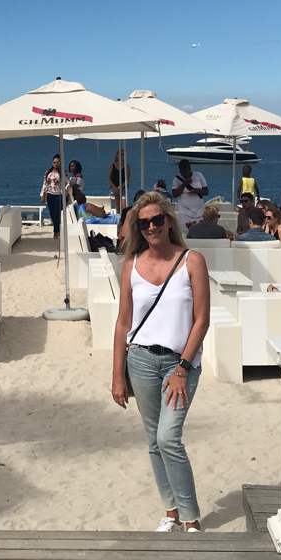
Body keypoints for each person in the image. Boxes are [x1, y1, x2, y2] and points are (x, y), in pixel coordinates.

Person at [111, 191, 209, 534]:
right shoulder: (131, 264)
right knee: (154, 440)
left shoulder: (192, 260)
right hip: (140, 360)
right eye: (144, 223)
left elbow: (201, 320)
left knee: (168, 438)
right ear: (137, 228)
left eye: (157, 220)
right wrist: (117, 375)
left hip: (179, 363)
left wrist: (182, 368)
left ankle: (191, 518)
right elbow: (123, 323)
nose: (151, 227)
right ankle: (172, 512)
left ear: (168, 221)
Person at [171, 160, 207, 232]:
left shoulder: (198, 175)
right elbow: (175, 194)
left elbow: (206, 191)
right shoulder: (177, 178)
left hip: (199, 210)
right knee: (185, 231)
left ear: (189, 169)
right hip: (185, 211)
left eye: (185, 171)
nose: (183, 173)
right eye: (181, 171)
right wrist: (184, 183)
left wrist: (199, 191)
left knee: (200, 231)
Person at [41, 154, 64, 239]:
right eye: (54, 162)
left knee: (57, 213)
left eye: (57, 162)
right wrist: (43, 195)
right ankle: (57, 229)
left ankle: (56, 232)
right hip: (50, 194)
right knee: (52, 213)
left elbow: (67, 183)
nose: (56, 164)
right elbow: (45, 184)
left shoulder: (63, 173)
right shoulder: (48, 172)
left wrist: (66, 192)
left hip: (59, 194)